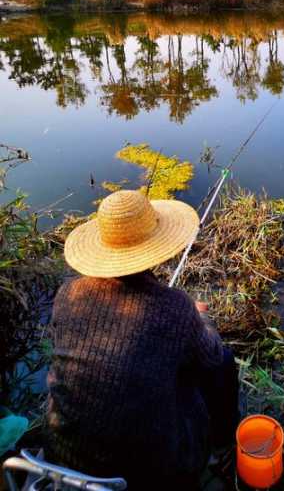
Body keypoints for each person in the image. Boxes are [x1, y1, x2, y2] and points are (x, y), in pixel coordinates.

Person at [45, 190, 240, 489]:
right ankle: (224, 446)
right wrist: (200, 319)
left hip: (65, 455)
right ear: (156, 243)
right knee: (223, 362)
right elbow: (212, 356)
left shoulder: (67, 294)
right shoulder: (175, 307)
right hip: (149, 473)